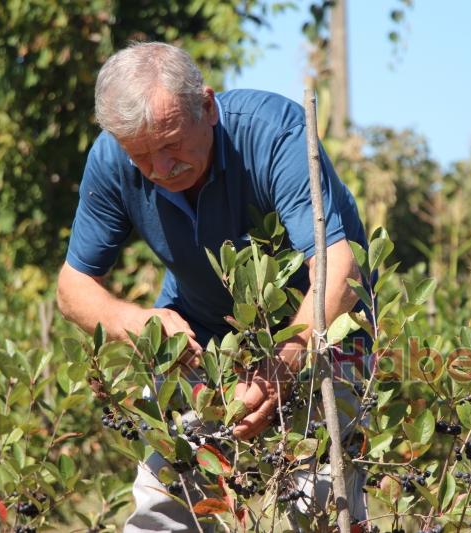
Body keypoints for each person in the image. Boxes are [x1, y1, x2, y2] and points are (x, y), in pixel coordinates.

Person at [57, 41, 369, 532]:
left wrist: (284, 360)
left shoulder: (272, 134)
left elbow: (340, 268)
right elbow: (72, 287)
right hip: (200, 340)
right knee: (165, 503)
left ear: (206, 106)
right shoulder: (113, 159)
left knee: (319, 504)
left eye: (172, 144)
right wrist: (136, 322)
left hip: (321, 329)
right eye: (142, 156)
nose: (160, 169)